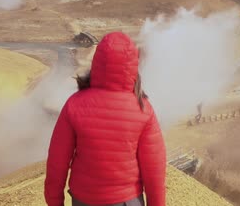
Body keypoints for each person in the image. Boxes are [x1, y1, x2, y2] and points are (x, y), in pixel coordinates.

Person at [45, 32, 166, 206]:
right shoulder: (143, 109)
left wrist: (54, 202)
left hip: (83, 200)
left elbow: (57, 162)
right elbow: (154, 171)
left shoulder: (74, 104)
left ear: (97, 62)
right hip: (126, 200)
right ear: (133, 66)